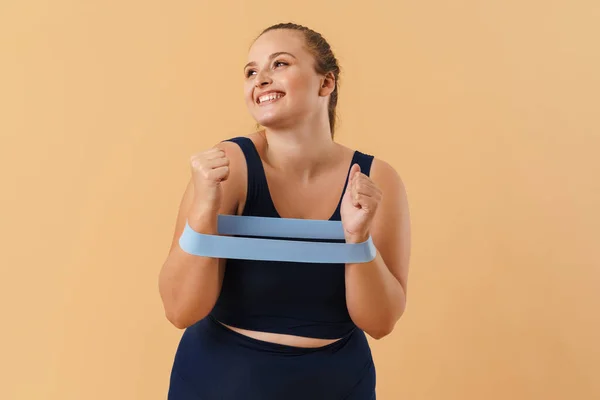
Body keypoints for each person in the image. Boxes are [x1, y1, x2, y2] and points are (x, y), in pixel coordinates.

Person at [158, 22, 411, 399]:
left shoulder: (377, 180)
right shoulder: (230, 166)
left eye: (279, 64)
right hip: (220, 382)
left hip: (339, 385)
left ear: (326, 83)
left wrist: (357, 240)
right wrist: (203, 213)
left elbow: (380, 322)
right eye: (250, 71)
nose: (260, 79)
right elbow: (179, 311)